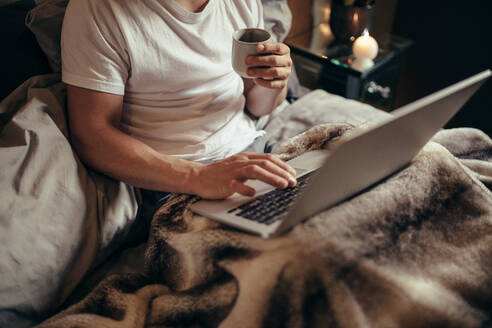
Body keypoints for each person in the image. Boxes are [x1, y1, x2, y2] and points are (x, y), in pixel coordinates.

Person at [61, 0, 297, 221]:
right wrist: (198, 176)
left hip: (255, 149)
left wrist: (276, 82)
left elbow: (257, 106)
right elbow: (92, 134)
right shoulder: (98, 9)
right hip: (172, 184)